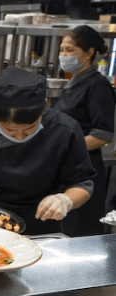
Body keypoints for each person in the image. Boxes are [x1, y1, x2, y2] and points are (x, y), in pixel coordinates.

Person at [0, 67, 95, 236]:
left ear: (44, 106)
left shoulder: (66, 130)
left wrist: (65, 200)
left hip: (44, 223)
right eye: (9, 130)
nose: (20, 136)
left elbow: (82, 184)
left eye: (30, 128)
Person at [54, 25, 115, 236]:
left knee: (80, 233)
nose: (64, 55)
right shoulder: (73, 81)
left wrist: (68, 149)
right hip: (66, 168)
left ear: (89, 53)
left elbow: (103, 134)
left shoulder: (97, 85)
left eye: (69, 50)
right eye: (62, 50)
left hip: (85, 170)